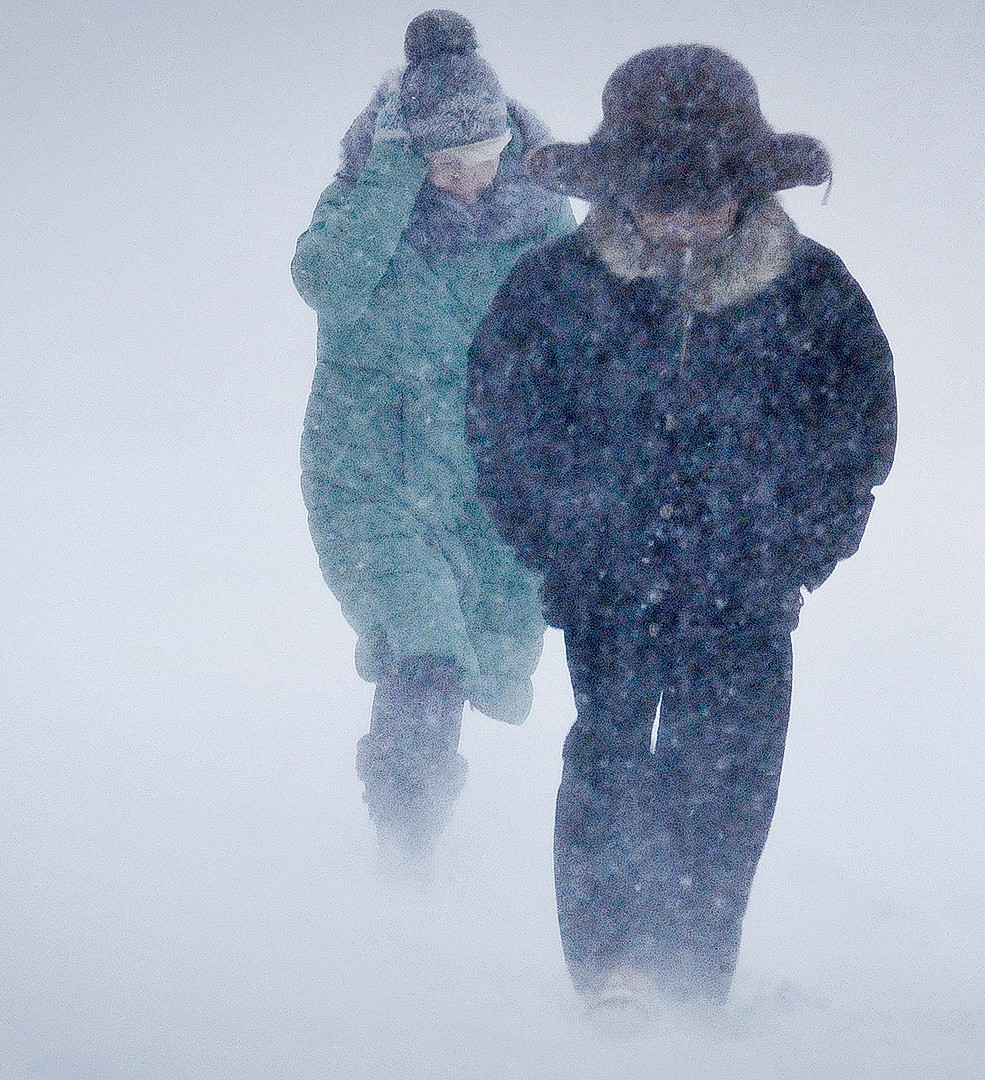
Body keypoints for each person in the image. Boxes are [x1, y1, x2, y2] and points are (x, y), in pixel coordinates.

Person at [466, 45, 897, 1008]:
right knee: (612, 763)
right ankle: (611, 973)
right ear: (619, 195)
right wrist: (561, 545)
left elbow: (858, 432)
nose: (684, 222)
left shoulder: (813, 293)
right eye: (662, 198)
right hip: (607, 582)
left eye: (706, 198)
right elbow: (502, 429)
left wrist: (799, 549)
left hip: (748, 588)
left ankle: (694, 973)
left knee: (729, 776)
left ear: (746, 193)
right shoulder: (554, 292)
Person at [291, 10, 573, 867]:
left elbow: (578, 328)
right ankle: (405, 839)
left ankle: (422, 827)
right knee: (428, 648)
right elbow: (323, 282)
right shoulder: (366, 209)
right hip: (371, 477)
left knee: (481, 647)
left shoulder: (538, 219)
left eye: (481, 163)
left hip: (486, 478)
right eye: (446, 165)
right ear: (413, 154)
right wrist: (387, 180)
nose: (467, 184)